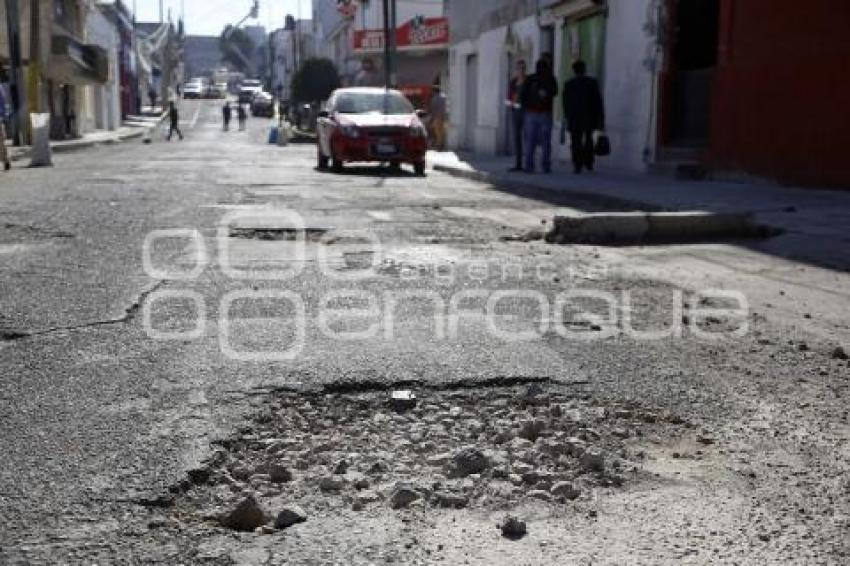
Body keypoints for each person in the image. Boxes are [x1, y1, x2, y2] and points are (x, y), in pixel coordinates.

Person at [562, 60, 605, 174]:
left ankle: (577, 164)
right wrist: (600, 118)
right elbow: (598, 102)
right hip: (589, 117)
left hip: (574, 117)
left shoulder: (569, 84)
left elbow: (565, 103)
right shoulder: (592, 83)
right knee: (589, 140)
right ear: (584, 70)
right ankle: (589, 162)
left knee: (575, 141)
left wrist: (567, 116)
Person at [520, 58, 558, 174]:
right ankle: (545, 166)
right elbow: (555, 91)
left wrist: (526, 107)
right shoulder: (550, 79)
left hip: (531, 113)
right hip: (544, 113)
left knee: (530, 141)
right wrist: (546, 94)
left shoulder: (530, 79)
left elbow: (523, 95)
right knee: (545, 141)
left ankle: (529, 166)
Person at [506, 59, 527, 171]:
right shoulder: (513, 82)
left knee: (527, 138)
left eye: (523, 68)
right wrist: (511, 105)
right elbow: (508, 99)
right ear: (516, 70)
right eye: (519, 68)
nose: (521, 70)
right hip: (516, 112)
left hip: (527, 112)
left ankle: (528, 163)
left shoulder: (528, 81)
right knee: (517, 138)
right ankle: (518, 163)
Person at [428, 86, 448, 151]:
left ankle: (439, 145)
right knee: (443, 131)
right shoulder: (444, 97)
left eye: (433, 91)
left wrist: (432, 117)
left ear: (435, 91)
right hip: (445, 116)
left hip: (437, 116)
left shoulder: (435, 98)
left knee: (438, 131)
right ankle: (443, 143)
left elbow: (433, 108)